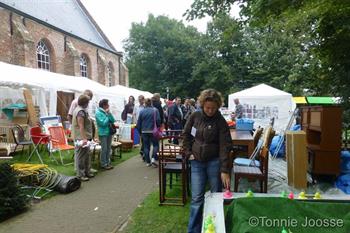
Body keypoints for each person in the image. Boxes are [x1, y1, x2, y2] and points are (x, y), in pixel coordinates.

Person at [183, 89, 232, 233]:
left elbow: (225, 145)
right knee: (197, 199)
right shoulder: (195, 116)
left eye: (213, 108)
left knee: (215, 197)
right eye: (207, 107)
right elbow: (186, 135)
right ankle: (193, 230)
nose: (210, 111)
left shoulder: (220, 121)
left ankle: (214, 228)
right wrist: (188, 153)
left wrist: (224, 170)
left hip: (214, 162)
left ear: (217, 106)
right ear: (202, 104)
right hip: (196, 162)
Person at [71, 95, 94, 181]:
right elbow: (81, 126)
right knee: (80, 156)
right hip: (81, 137)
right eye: (87, 102)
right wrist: (84, 139)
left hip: (84, 136)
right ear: (84, 102)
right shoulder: (80, 111)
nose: (88, 104)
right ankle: (80, 174)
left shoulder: (81, 110)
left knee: (86, 155)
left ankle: (87, 172)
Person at [136, 98, 160, 167]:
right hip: (153, 131)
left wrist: (140, 132)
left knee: (146, 147)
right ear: (151, 103)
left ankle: (148, 162)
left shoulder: (142, 111)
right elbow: (158, 121)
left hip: (144, 131)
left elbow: (138, 123)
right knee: (155, 145)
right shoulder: (155, 110)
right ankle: (153, 159)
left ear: (145, 103)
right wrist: (157, 127)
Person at [95, 99, 116, 170]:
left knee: (108, 148)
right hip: (103, 133)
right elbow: (103, 124)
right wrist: (107, 116)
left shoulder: (106, 112)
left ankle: (108, 162)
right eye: (107, 104)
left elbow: (113, 120)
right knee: (104, 149)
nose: (109, 105)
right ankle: (103, 164)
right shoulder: (98, 113)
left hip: (109, 132)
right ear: (104, 105)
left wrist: (109, 114)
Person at [133, 95, 145, 161]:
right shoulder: (136, 106)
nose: (140, 101)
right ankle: (142, 149)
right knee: (141, 136)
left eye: (141, 100)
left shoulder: (145, 106)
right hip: (138, 123)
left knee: (143, 137)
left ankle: (142, 149)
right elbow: (134, 114)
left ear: (143, 100)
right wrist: (135, 122)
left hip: (144, 123)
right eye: (139, 99)